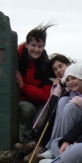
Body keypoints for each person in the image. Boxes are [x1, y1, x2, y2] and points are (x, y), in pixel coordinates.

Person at [22, 53, 73, 162]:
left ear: (68, 65)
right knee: (50, 115)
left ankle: (42, 146)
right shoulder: (57, 82)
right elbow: (52, 101)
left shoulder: (73, 78)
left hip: (70, 112)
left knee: (53, 116)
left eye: (60, 66)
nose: (58, 70)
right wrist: (56, 87)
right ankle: (38, 142)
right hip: (58, 109)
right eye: (55, 69)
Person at [36, 62, 82, 161]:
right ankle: (54, 145)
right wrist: (60, 86)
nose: (71, 82)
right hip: (75, 120)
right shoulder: (73, 91)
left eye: (74, 78)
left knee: (70, 106)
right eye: (68, 80)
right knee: (63, 100)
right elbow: (52, 105)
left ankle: (57, 147)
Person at [15, 23, 55, 154]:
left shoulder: (46, 65)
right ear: (26, 45)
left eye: (40, 46)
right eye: (33, 45)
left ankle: (36, 143)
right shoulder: (16, 58)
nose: (36, 49)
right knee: (26, 109)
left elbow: (45, 95)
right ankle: (26, 141)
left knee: (39, 123)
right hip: (24, 102)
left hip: (39, 103)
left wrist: (23, 86)